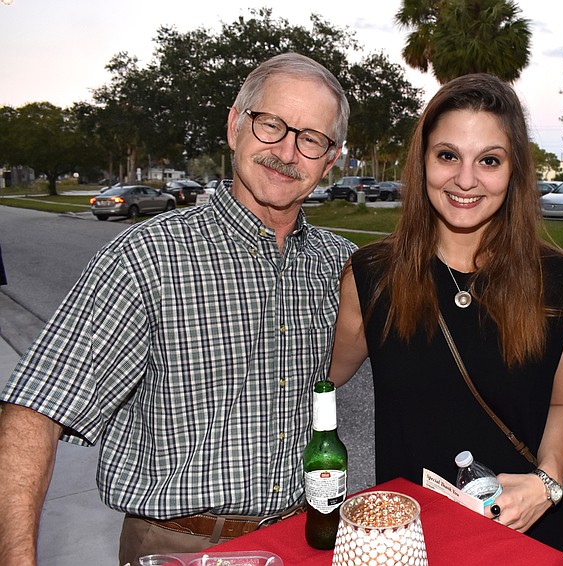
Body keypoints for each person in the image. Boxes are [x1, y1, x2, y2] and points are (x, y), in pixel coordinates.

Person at [0, 52, 357, 566]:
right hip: (177, 547)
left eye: (311, 139)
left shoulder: (338, 263)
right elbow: (34, 411)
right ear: (236, 125)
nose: (287, 151)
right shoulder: (146, 258)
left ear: (330, 159)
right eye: (271, 125)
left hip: (299, 539)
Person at [330, 73, 563, 551]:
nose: (466, 179)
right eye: (448, 155)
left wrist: (547, 483)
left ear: (514, 171)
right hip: (410, 543)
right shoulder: (371, 277)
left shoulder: (562, 284)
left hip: (524, 538)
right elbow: (316, 378)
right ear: (423, 161)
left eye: (489, 160)